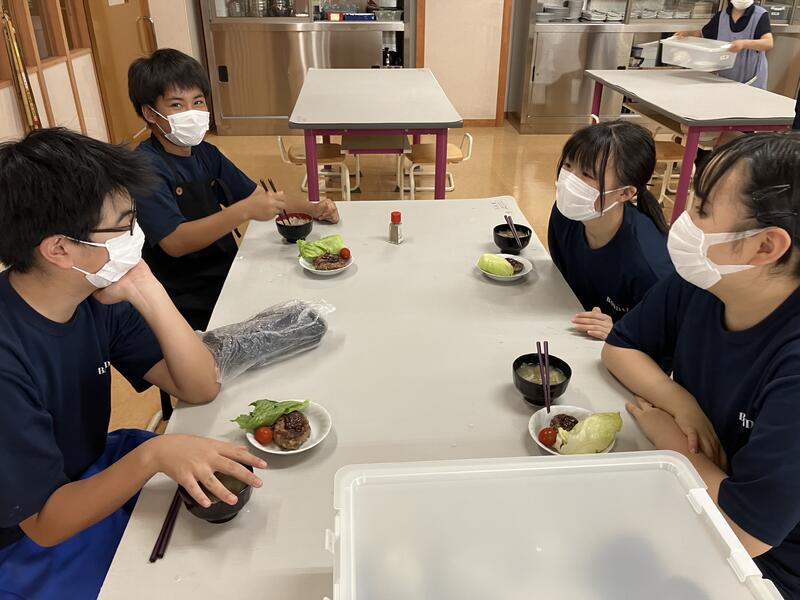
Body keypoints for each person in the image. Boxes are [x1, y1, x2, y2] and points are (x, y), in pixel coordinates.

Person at [0, 128, 266, 599]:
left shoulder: (92, 291)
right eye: (124, 226)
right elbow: (43, 523)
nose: (136, 235)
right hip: (23, 535)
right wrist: (153, 456)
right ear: (59, 249)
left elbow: (199, 386)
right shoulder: (8, 358)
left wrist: (147, 286)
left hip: (85, 470)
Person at [602, 132, 800, 598]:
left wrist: (673, 443)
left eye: (702, 210)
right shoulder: (708, 281)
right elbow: (620, 347)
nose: (683, 221)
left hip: (759, 570)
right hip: (692, 499)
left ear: (765, 246)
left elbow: (745, 533)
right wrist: (681, 402)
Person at [128, 49, 339, 330]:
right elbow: (175, 242)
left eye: (198, 101)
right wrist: (243, 212)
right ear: (149, 113)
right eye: (177, 105)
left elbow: (258, 196)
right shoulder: (143, 168)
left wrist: (313, 208)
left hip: (226, 272)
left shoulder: (206, 153)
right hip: (183, 297)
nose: (192, 113)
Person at [547, 120, 674, 341]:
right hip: (572, 329)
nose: (569, 181)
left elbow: (668, 338)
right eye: (567, 165)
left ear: (625, 193)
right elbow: (562, 281)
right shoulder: (565, 215)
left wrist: (619, 330)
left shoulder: (649, 264)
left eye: (587, 174)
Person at [675, 0, 773, 89]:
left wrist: (743, 43)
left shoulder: (759, 15)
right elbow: (703, 34)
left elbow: (768, 43)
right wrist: (686, 34)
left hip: (751, 81)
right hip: (725, 79)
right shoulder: (722, 15)